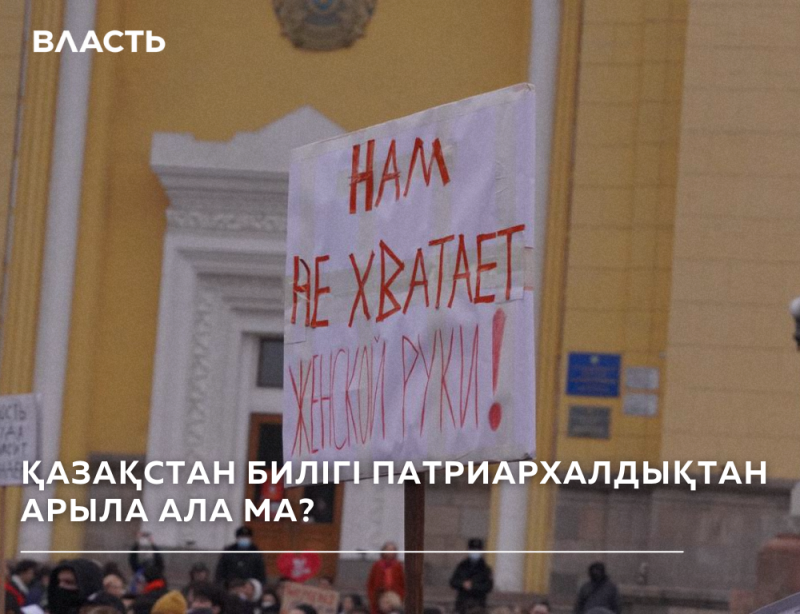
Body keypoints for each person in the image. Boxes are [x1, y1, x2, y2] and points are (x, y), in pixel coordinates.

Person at [449, 539, 493, 614]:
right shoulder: (462, 566)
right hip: (462, 604)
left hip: (478, 605)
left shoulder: (485, 568)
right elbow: (453, 581)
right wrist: (463, 584)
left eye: (477, 550)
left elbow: (488, 586)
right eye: (473, 549)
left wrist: (473, 586)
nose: (475, 552)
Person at [366, 542, 405, 614]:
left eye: (392, 550)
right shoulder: (377, 565)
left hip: (393, 594)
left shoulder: (398, 566)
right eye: (388, 549)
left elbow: (402, 582)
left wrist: (400, 596)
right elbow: (371, 582)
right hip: (379, 594)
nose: (390, 552)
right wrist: (372, 596)